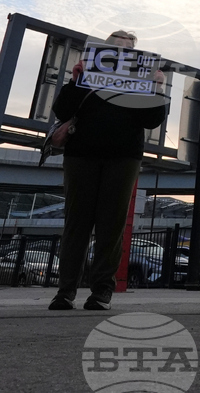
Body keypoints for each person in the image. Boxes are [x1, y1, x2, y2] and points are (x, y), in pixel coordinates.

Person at [48, 31, 167, 311]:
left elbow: (152, 120)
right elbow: (61, 110)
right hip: (81, 155)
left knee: (111, 225)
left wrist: (156, 88)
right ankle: (65, 291)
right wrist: (76, 80)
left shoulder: (139, 84)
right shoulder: (86, 79)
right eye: (115, 47)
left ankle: (101, 290)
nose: (121, 52)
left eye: (128, 49)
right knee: (76, 223)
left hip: (123, 157)